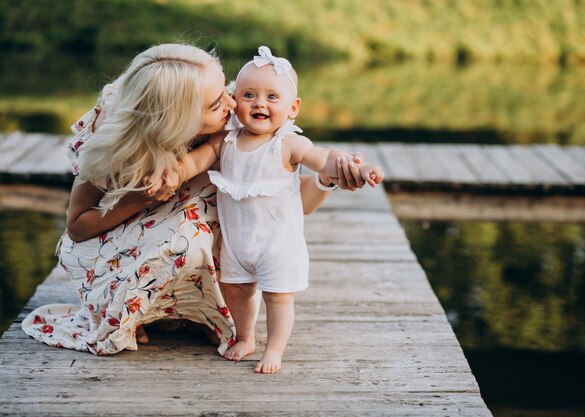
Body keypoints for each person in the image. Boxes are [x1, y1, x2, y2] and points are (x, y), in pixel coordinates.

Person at [21, 43, 367, 356]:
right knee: (190, 231)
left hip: (191, 222)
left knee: (217, 203)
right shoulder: (111, 129)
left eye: (228, 90)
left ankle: (194, 311)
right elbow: (78, 227)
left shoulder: (236, 116)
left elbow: (283, 201)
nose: (234, 104)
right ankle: (134, 306)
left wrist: (327, 179)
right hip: (114, 238)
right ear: (176, 120)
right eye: (219, 103)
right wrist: (143, 198)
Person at [169, 46, 384, 373]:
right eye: (249, 95)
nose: (259, 103)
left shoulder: (288, 142)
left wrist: (355, 164)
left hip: (278, 245)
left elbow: (324, 158)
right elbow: (195, 162)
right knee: (237, 291)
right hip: (237, 243)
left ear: (293, 107)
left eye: (272, 97)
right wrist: (171, 172)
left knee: (278, 298)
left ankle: (275, 348)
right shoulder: (224, 140)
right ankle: (245, 336)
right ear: (233, 100)